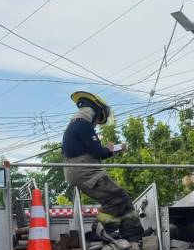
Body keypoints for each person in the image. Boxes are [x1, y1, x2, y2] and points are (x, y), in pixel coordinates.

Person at [61, 91, 143, 239]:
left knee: (122, 199)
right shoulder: (83, 125)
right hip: (83, 169)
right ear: (94, 112)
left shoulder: (76, 124)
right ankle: (99, 233)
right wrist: (111, 150)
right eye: (98, 120)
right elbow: (98, 151)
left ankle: (134, 235)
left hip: (80, 168)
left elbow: (95, 150)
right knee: (116, 197)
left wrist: (108, 150)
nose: (97, 124)